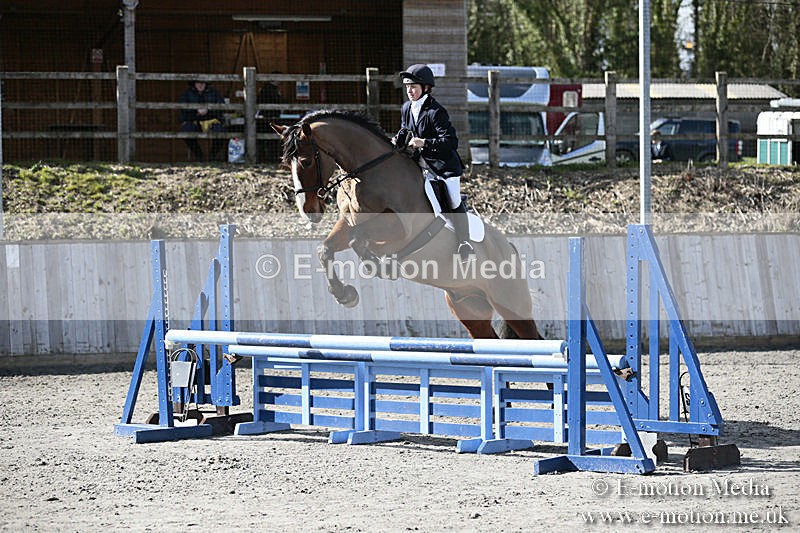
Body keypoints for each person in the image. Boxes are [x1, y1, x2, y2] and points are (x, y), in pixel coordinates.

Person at [391, 64, 474, 263]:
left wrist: (425, 142)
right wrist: (395, 142)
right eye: (407, 87)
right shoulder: (406, 108)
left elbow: (451, 142)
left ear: (426, 88)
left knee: (453, 200)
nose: (410, 91)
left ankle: (465, 243)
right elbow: (404, 131)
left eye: (414, 87)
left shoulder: (436, 111)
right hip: (420, 164)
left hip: (443, 166)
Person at [178, 80, 226, 162]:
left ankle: (212, 156)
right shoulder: (187, 93)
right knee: (186, 131)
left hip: (211, 120)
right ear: (194, 84)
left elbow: (221, 106)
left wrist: (209, 110)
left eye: (203, 83)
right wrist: (196, 110)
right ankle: (198, 154)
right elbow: (182, 107)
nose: (200, 85)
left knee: (221, 132)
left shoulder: (214, 93)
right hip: (193, 121)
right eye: (198, 83)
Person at [256, 72, 285, 162]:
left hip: (266, 117)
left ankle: (265, 158)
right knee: (272, 140)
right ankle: (271, 158)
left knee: (267, 140)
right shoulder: (271, 90)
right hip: (270, 117)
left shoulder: (266, 89)